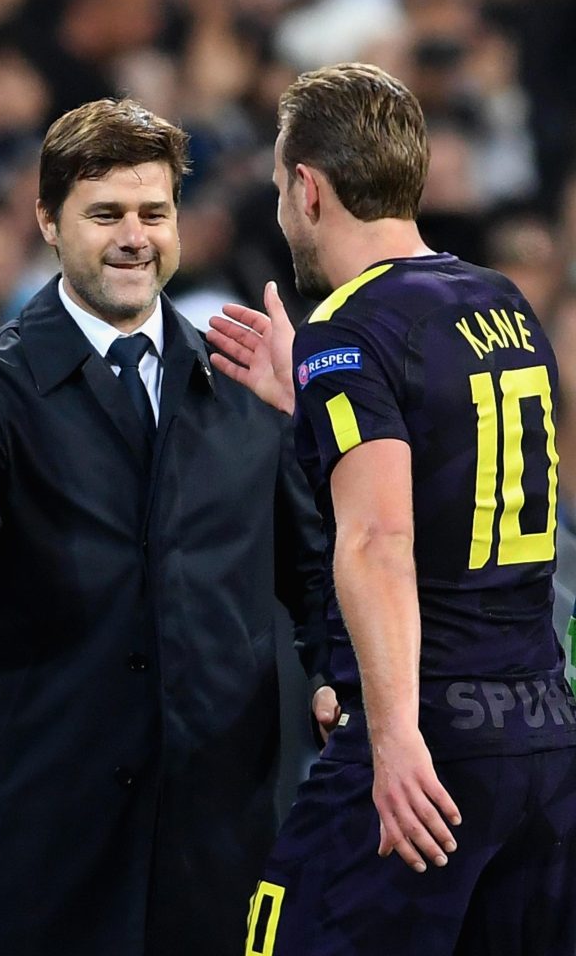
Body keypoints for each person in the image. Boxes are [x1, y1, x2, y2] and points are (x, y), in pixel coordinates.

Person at [0, 98, 326, 956]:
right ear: (47, 219)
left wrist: (344, 683)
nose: (134, 236)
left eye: (154, 213)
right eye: (105, 214)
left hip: (214, 858)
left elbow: (310, 576)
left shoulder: (241, 380)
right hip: (40, 859)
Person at [207, 63, 576, 955]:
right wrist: (317, 407)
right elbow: (444, 459)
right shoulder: (504, 300)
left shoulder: (349, 330)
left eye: (280, 189)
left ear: (309, 187)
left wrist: (394, 735)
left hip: (433, 740)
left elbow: (378, 539)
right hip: (543, 733)